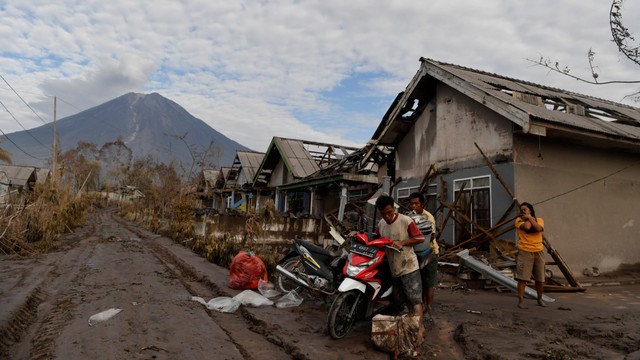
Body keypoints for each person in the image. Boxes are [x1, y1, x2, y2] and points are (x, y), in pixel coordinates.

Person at [375, 195, 426, 339]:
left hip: (409, 266)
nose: (387, 216)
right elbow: (377, 238)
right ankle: (410, 326)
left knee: (415, 300)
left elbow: (420, 238)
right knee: (400, 300)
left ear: (394, 208)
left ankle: (419, 331)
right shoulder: (381, 224)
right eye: (383, 213)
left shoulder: (405, 220)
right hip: (394, 268)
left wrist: (402, 242)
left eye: (389, 212)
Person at [408, 192, 439, 323]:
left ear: (422, 204)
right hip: (416, 253)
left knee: (429, 283)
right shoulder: (409, 217)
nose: (414, 206)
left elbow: (431, 235)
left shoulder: (428, 217)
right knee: (418, 282)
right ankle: (420, 309)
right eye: (412, 204)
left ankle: (429, 309)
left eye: (416, 203)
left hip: (430, 252)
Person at [514, 202, 546, 309]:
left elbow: (538, 228)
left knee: (540, 277)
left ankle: (540, 299)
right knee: (523, 277)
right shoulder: (519, 221)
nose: (522, 211)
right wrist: (527, 217)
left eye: (525, 209)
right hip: (525, 251)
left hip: (538, 251)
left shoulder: (540, 220)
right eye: (521, 209)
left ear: (530, 210)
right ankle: (521, 301)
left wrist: (529, 217)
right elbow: (527, 227)